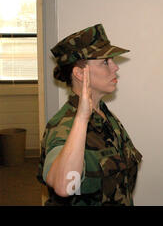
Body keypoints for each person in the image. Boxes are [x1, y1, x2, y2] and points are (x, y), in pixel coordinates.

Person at [37, 24, 142, 206]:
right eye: (105, 62)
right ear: (79, 73)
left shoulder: (104, 114)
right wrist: (82, 117)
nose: (115, 67)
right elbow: (63, 186)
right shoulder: (65, 126)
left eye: (112, 60)